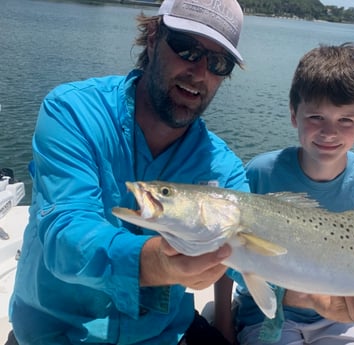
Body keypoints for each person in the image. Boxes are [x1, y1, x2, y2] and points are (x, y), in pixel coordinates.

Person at [8, 0, 248, 344]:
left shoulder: (223, 170)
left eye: (219, 62)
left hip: (164, 334)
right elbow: (66, 237)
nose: (200, 72)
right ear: (152, 39)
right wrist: (158, 264)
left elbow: (255, 259)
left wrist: (317, 296)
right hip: (57, 334)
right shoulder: (73, 113)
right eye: (186, 49)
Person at [216, 43, 354, 345]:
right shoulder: (260, 172)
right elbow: (224, 253)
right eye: (316, 117)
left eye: (346, 120)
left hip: (345, 318)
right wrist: (222, 326)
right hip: (268, 316)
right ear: (294, 114)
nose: (329, 132)